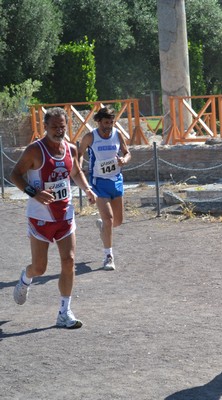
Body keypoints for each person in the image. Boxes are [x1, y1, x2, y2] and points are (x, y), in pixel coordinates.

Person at [10, 107, 97, 329]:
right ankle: (26, 277)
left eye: (62, 126)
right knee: (40, 268)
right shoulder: (34, 151)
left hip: (65, 215)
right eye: (54, 127)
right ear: (46, 127)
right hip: (40, 217)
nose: (59, 130)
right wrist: (34, 193)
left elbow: (75, 172)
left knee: (69, 261)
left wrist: (87, 190)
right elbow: (15, 174)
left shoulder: (71, 149)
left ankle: (64, 312)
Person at [78, 107, 131, 271]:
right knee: (108, 219)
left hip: (116, 181)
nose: (109, 126)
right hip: (98, 183)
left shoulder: (117, 134)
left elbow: (127, 152)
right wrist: (79, 169)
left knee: (118, 221)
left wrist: (124, 160)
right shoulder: (90, 137)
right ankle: (108, 256)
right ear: (99, 121)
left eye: (111, 122)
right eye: (106, 122)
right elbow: (79, 154)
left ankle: (103, 226)